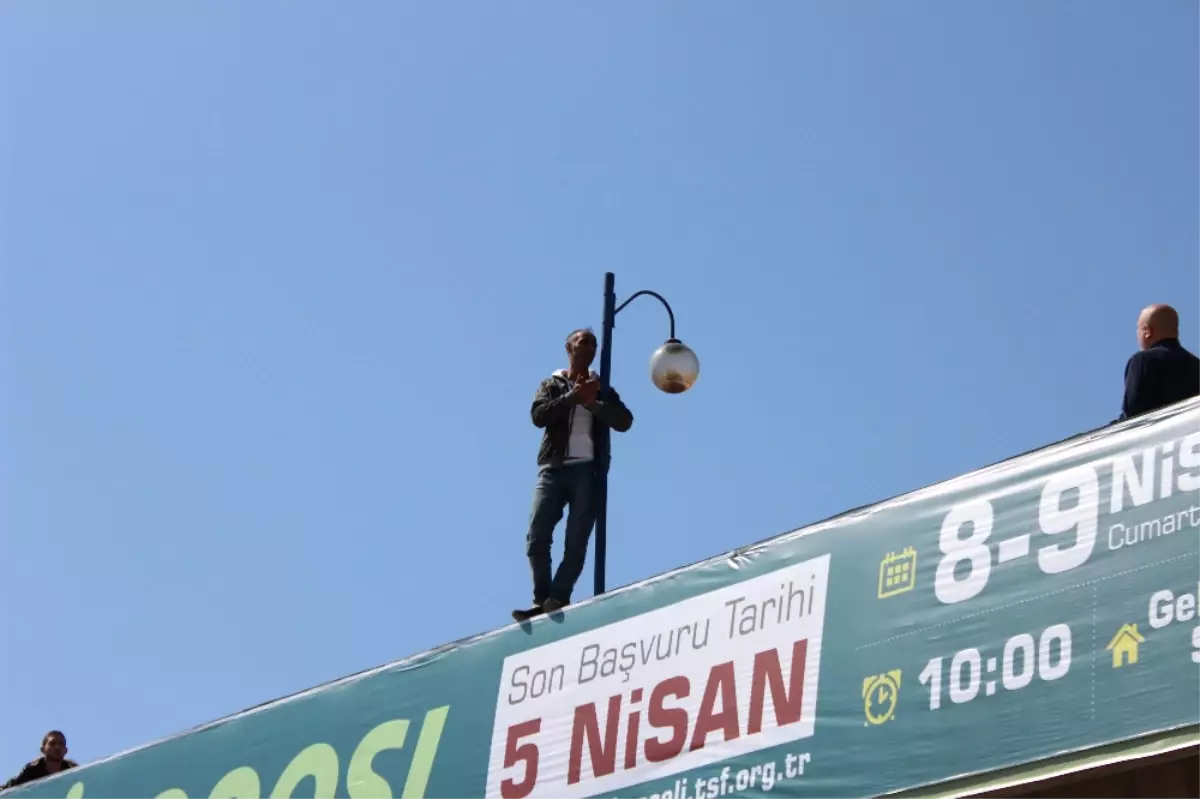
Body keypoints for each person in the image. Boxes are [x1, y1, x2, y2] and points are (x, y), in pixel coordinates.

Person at [513, 328, 633, 621]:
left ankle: (558, 598)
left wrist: (593, 403)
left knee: (576, 539)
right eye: (583, 341)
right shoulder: (552, 383)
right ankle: (542, 601)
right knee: (537, 536)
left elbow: (625, 421)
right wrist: (572, 397)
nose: (589, 346)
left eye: (593, 342)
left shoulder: (602, 387)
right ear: (569, 348)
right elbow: (538, 416)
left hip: (586, 471)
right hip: (553, 468)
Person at [1119, 304, 1200, 421]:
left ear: (1147, 331)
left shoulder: (1143, 361)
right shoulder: (1196, 365)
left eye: (1139, 328)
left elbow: (1133, 414)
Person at [2, 731, 77, 791]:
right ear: (43, 749)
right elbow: (10, 788)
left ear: (66, 751)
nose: (57, 747)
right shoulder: (31, 770)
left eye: (61, 744)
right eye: (52, 743)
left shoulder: (72, 771)